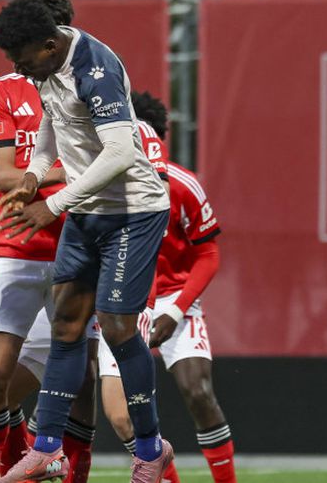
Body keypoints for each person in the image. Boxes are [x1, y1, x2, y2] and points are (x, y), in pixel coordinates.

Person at [0, 0, 172, 483]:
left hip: (132, 213)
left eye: (22, 58)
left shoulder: (95, 68)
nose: (18, 67)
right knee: (68, 325)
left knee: (115, 328)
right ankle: (47, 448)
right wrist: (33, 174)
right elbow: (52, 121)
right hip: (88, 214)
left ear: (48, 46)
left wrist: (50, 205)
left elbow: (118, 154)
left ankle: (152, 449)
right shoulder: (50, 67)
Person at [0, 0, 99, 483]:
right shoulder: (1, 90)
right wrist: (79, 170)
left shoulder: (91, 83)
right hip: (18, 244)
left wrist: (74, 173)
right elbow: (5, 176)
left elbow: (115, 156)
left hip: (78, 245)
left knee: (84, 380)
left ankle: (71, 473)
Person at [99, 91, 237, 483]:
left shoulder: (182, 185)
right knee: (121, 415)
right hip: (123, 301)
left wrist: (176, 311)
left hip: (175, 298)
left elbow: (208, 254)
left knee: (198, 392)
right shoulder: (103, 187)